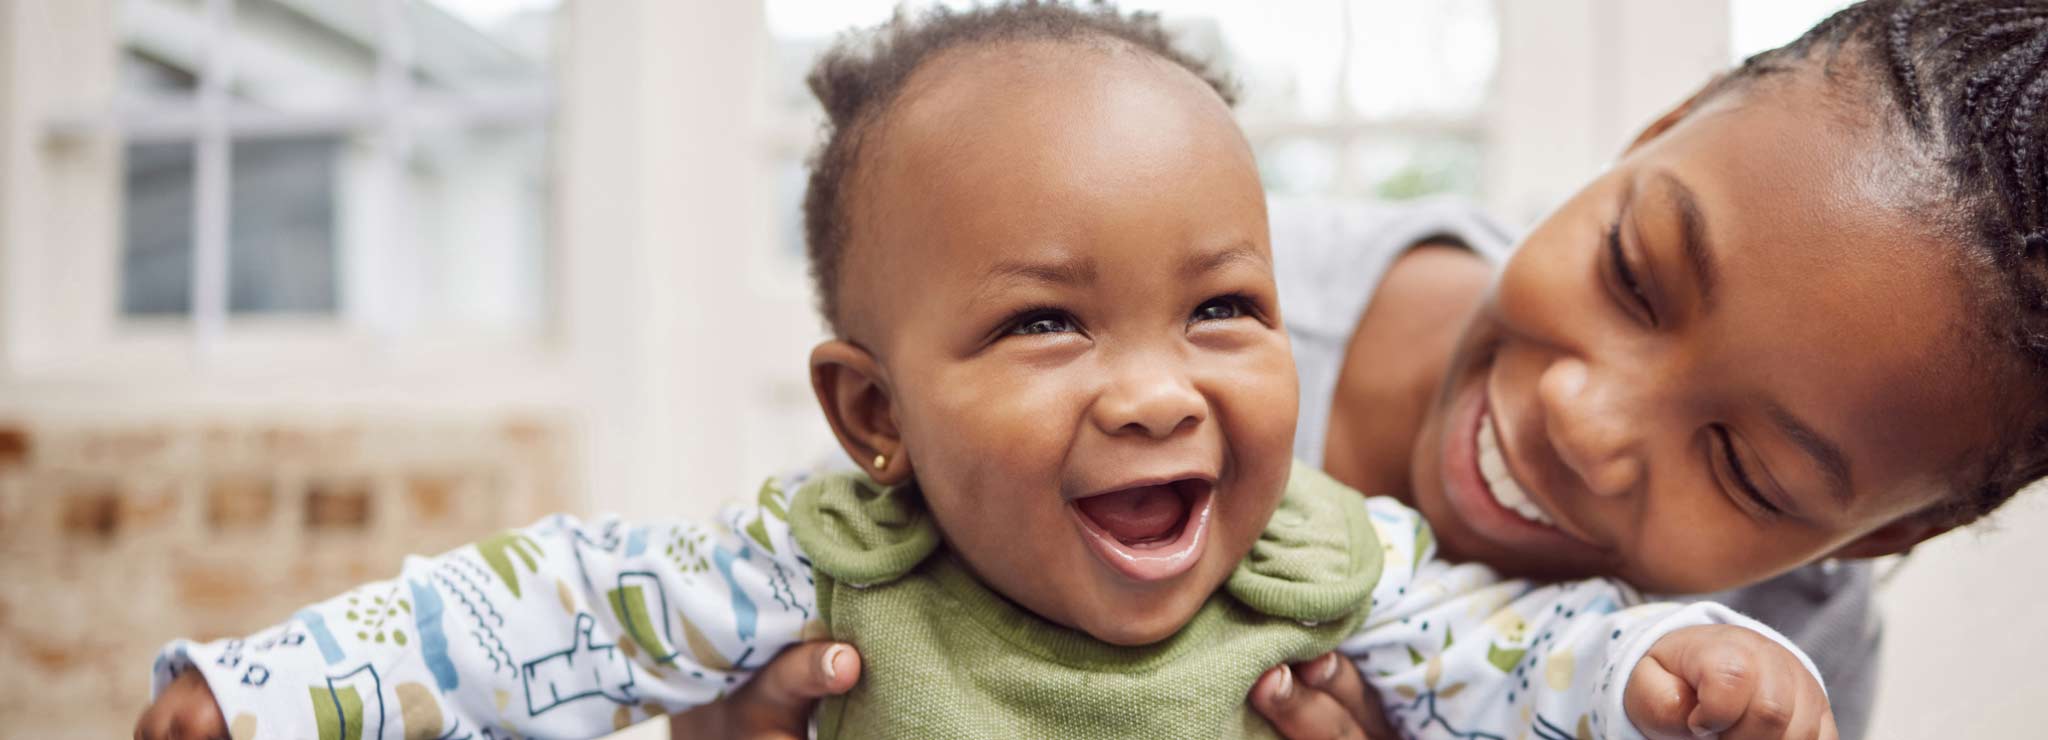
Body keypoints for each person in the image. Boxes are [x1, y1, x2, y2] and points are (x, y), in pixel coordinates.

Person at [131, 3, 1837, 739]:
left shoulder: (1337, 567)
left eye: (1222, 309)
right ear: (875, 414)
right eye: (1046, 325)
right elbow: (533, 610)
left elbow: (1521, 656)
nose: (1157, 392)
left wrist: (1675, 667)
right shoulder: (807, 570)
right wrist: (277, 691)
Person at [611, 1, 2048, 738]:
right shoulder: (1146, 318)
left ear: (1889, 533)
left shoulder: (1767, 652)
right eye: (1632, 271)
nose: (1578, 414)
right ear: (1658, 125)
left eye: (1747, 468)